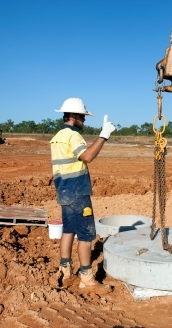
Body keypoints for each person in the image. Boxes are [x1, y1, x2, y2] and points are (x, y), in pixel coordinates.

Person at [50, 97, 115, 294]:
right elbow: (87, 156)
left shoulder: (57, 136)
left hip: (64, 191)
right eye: (83, 117)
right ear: (73, 116)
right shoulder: (73, 136)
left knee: (68, 231)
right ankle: (87, 278)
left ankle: (65, 271)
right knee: (86, 236)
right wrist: (103, 136)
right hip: (78, 192)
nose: (84, 121)